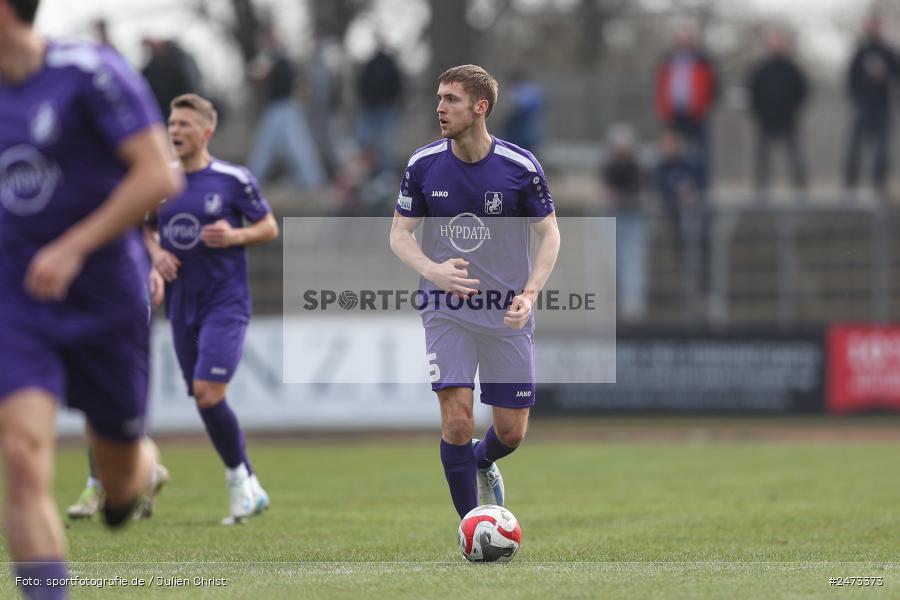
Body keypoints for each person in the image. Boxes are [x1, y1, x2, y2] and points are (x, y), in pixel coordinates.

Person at [0, 1, 183, 598]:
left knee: (118, 488)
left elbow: (159, 175)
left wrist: (74, 246)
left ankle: (138, 469)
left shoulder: (90, 72)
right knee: (23, 459)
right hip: (19, 304)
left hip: (105, 299)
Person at [389, 65, 561, 520]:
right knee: (459, 419)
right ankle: (471, 525)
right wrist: (433, 271)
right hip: (446, 309)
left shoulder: (520, 168)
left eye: (451, 100)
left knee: (510, 432)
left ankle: (482, 461)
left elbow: (551, 235)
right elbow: (400, 234)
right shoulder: (423, 164)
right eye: (439, 98)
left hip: (506, 313)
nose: (440, 108)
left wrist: (530, 293)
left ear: (480, 107)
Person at [146, 93, 279, 525]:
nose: (174, 131)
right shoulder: (158, 180)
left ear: (205, 132)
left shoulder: (232, 179)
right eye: (171, 123)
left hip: (226, 303)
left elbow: (268, 226)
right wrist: (155, 254)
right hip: (182, 305)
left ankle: (239, 484)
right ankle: (249, 482)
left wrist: (235, 236)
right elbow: (141, 228)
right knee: (203, 400)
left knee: (208, 392)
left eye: (184, 124)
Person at [247, 26, 325, 189]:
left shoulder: (280, 59)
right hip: (278, 107)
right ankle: (251, 180)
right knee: (270, 146)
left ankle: (313, 181)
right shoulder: (269, 58)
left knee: (296, 146)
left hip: (286, 106)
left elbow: (296, 84)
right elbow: (254, 75)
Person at [654, 24, 718, 188]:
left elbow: (714, 87)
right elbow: (660, 85)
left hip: (696, 114)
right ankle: (669, 190)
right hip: (674, 114)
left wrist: (703, 106)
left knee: (700, 153)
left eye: (687, 39)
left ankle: (702, 190)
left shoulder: (703, 61)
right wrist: (663, 108)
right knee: (671, 152)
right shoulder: (668, 61)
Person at [747, 27, 808, 197]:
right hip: (766, 120)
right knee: (763, 158)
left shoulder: (792, 68)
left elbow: (802, 91)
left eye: (778, 42)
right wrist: (759, 112)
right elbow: (752, 93)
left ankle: (800, 190)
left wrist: (793, 110)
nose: (775, 46)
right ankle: (761, 191)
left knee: (795, 157)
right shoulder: (760, 69)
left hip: (788, 119)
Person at [844, 14, 899, 195]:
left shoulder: (888, 52)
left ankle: (879, 184)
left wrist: (885, 77)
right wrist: (857, 95)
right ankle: (850, 185)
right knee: (855, 146)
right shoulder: (861, 51)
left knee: (882, 149)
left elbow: (896, 75)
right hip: (863, 106)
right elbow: (851, 77)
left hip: (882, 106)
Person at [600, 124, 647, 321]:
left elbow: (639, 193)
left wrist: (621, 198)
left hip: (632, 220)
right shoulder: (608, 166)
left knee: (632, 263)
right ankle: (606, 307)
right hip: (611, 220)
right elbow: (605, 192)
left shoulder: (636, 167)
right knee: (608, 263)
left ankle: (632, 308)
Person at [357, 38, 404, 174]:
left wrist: (393, 102)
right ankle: (367, 170)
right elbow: (362, 84)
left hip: (386, 109)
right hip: (370, 108)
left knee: (386, 142)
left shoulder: (390, 64)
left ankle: (386, 173)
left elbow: (398, 86)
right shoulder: (370, 64)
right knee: (365, 139)